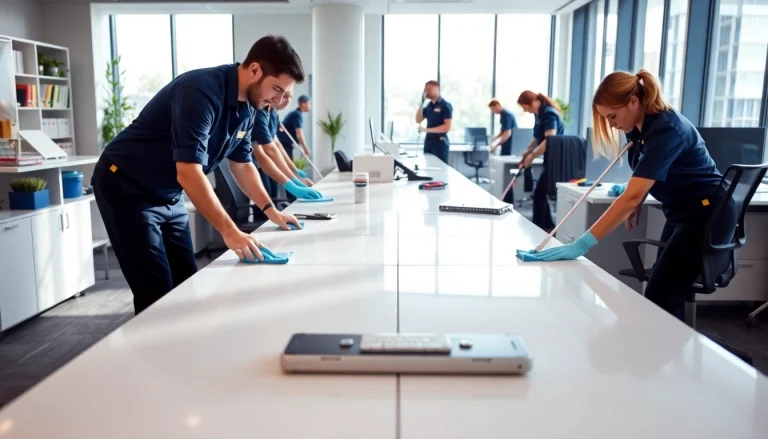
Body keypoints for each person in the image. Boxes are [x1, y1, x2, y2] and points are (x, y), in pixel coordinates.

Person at [91, 35, 305, 314]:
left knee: (186, 283)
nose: (278, 101)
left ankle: (183, 350)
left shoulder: (249, 108)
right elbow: (189, 172)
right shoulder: (200, 92)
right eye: (276, 89)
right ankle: (155, 353)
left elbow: (242, 164)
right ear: (254, 70)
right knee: (155, 292)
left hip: (168, 192)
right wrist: (230, 231)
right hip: (126, 185)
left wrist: (270, 210)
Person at [517, 69, 736, 322]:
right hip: (684, 213)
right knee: (664, 293)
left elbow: (632, 193)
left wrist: (582, 245)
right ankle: (669, 355)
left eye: (612, 115)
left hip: (707, 214)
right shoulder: (640, 127)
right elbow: (650, 175)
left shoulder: (666, 129)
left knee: (659, 297)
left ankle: (666, 355)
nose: (611, 124)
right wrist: (639, 197)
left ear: (634, 102)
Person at [517, 90, 565, 231]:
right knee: (540, 194)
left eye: (526, 107)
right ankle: (545, 225)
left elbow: (549, 140)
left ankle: (541, 227)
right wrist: (529, 150)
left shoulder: (549, 113)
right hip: (549, 158)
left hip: (557, 159)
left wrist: (533, 156)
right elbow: (538, 137)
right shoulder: (539, 114)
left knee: (539, 193)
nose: (526, 111)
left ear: (532, 102)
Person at [255, 93, 317, 202]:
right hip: (258, 163)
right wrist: (296, 181)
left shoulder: (272, 114)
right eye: (285, 96)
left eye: (290, 97)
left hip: (267, 159)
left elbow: (276, 144)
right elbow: (269, 150)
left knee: (274, 194)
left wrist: (294, 169)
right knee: (267, 196)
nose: (288, 100)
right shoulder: (258, 114)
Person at [415, 80, 453, 164]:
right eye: (425, 89)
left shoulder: (445, 105)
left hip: (440, 142)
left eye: (428, 89)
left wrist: (426, 130)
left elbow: (447, 127)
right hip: (429, 141)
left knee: (440, 168)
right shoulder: (429, 106)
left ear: (436, 89)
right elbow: (418, 120)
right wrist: (421, 103)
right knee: (428, 166)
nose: (426, 92)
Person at [277, 95, 312, 160]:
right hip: (284, 144)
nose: (310, 106)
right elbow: (300, 135)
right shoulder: (297, 115)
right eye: (309, 104)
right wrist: (305, 148)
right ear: (303, 104)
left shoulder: (295, 113)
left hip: (284, 143)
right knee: (287, 166)